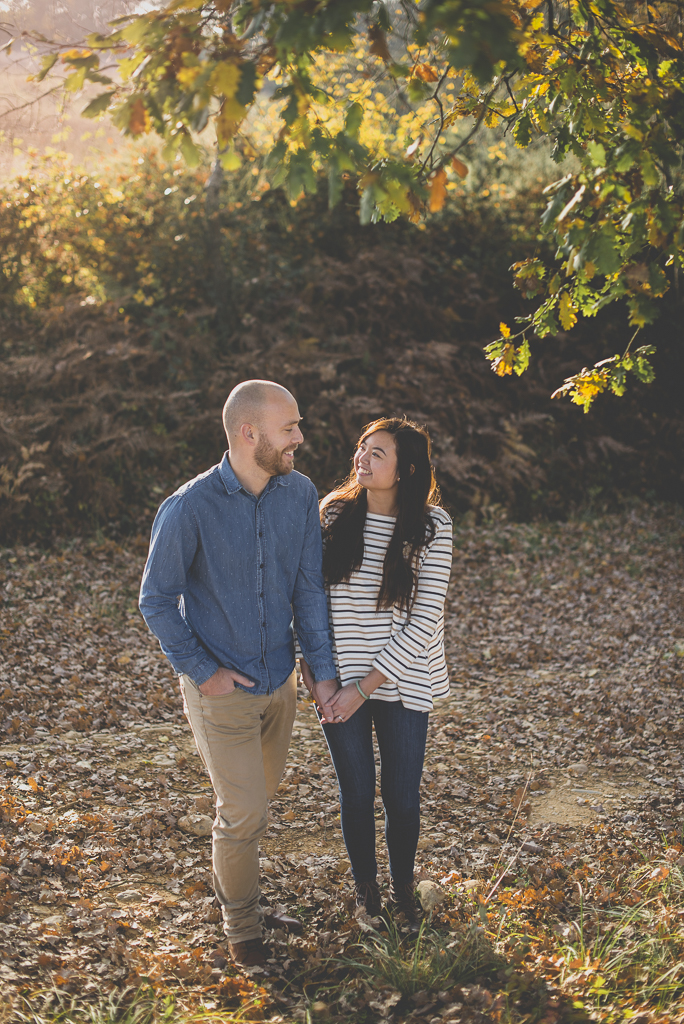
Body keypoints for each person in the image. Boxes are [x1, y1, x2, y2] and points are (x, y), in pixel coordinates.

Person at [139, 380, 337, 969]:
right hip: (220, 690)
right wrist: (203, 673)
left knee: (256, 805)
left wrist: (319, 672)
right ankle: (243, 929)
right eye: (289, 428)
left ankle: (240, 891)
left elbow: (308, 588)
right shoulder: (189, 507)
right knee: (244, 810)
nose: (299, 438)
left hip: (281, 684)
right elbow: (155, 599)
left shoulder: (299, 494)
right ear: (249, 434)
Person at [299, 418, 453, 929]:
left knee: (402, 797)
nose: (362, 458)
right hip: (339, 683)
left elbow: (426, 618)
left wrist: (365, 688)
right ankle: (368, 893)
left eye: (377, 453)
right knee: (357, 792)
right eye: (361, 448)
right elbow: (309, 601)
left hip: (404, 681)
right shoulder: (333, 515)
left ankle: (404, 892)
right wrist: (319, 676)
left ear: (406, 470)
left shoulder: (433, 527)